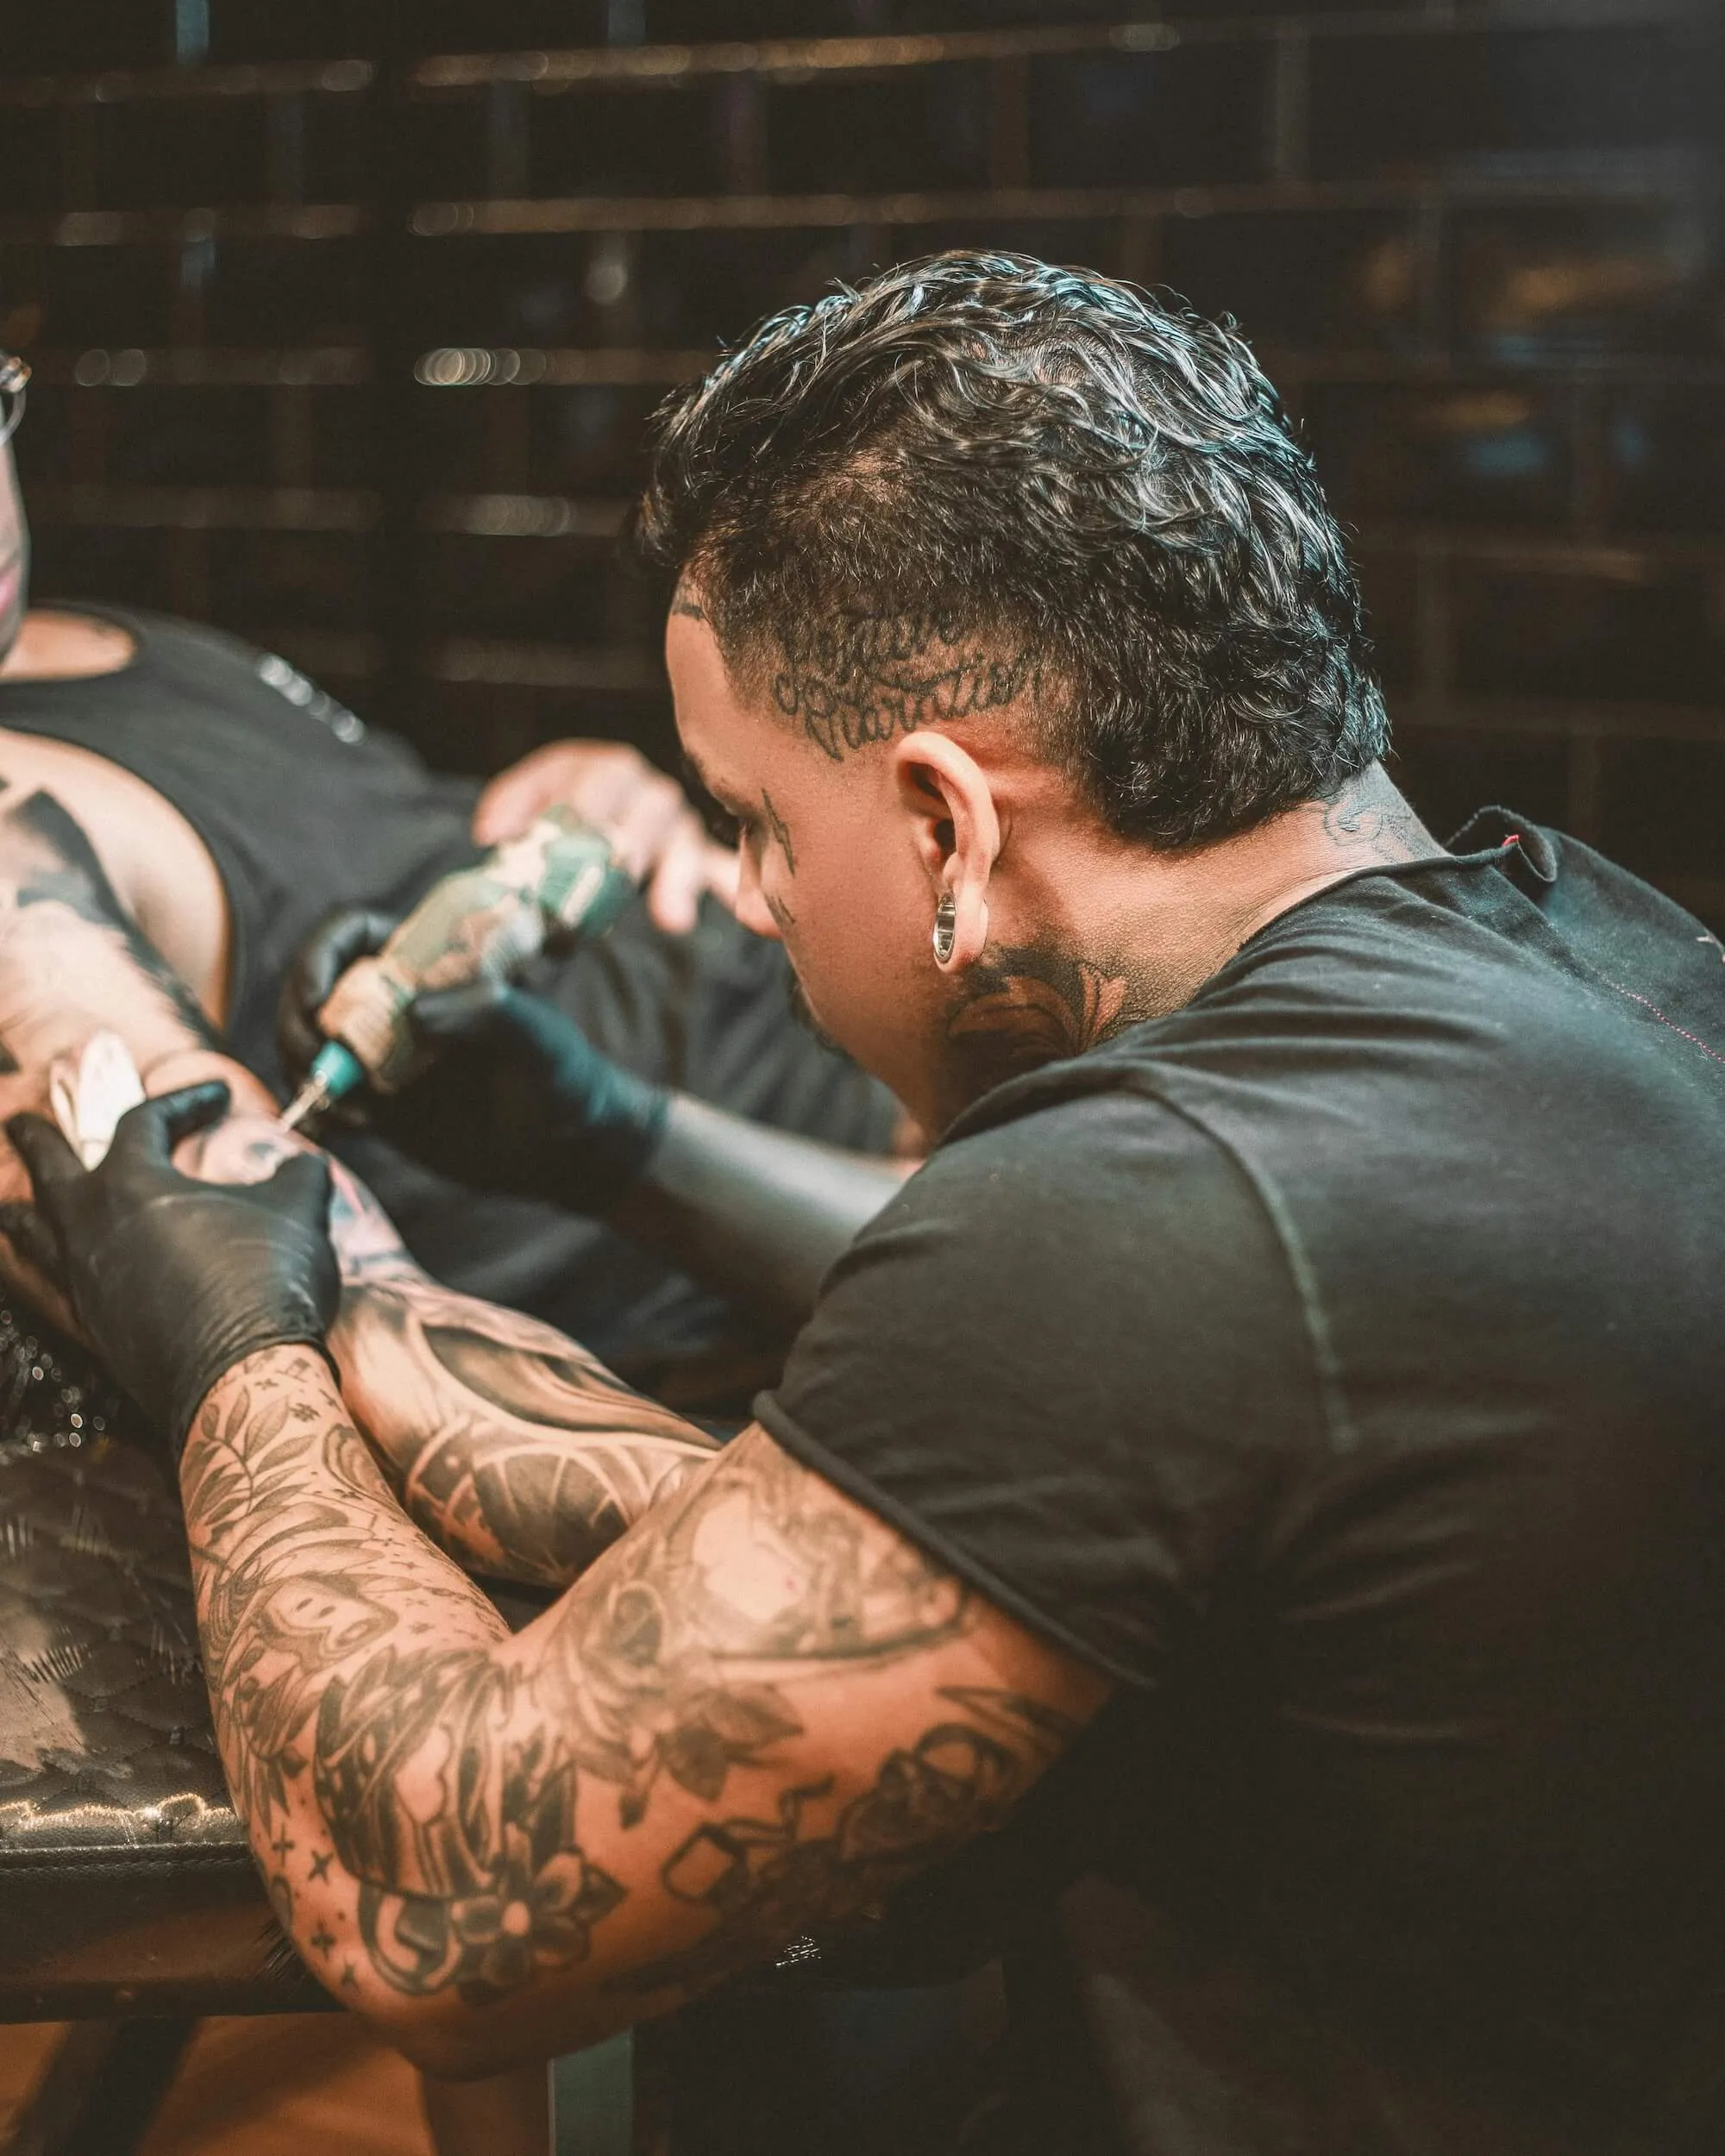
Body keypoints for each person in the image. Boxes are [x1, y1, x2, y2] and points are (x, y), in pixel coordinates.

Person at [13, 252, 1725, 2156]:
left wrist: (230, 1348)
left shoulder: (1137, 1222)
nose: (749, 890)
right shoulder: (1595, 957)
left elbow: (443, 1900)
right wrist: (612, 1137)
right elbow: (1148, 1394)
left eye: (757, 820)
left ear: (945, 825)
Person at [0, 359, 906, 1385]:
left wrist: (598, 813)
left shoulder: (99, 639)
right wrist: (614, 1142)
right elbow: (992, 1282)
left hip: (874, 1046)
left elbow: (385, 840)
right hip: (811, 1219)